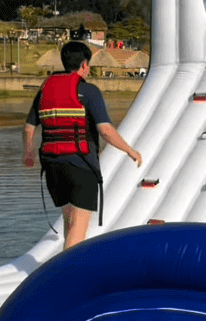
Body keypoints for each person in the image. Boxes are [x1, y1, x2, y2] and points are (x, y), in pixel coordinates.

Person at [23, 41, 142, 250]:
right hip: (80, 165)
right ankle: (67, 268)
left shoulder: (45, 90)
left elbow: (29, 128)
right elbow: (106, 130)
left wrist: (28, 154)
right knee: (79, 225)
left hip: (52, 165)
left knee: (69, 220)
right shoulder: (89, 91)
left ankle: (66, 261)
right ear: (84, 65)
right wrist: (129, 150)